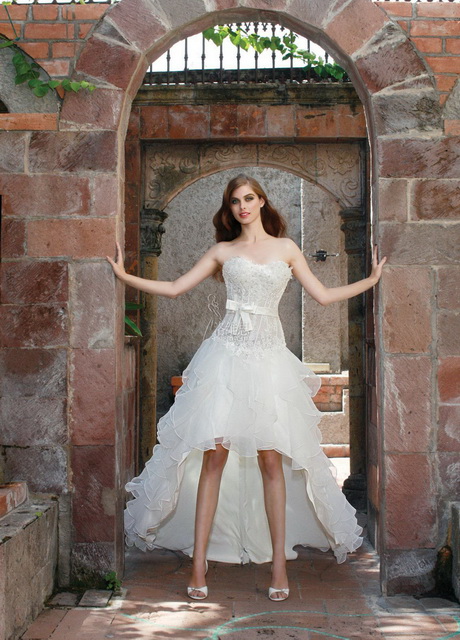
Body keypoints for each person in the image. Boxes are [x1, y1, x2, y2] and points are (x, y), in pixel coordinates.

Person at [107, 173, 386, 602]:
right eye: (236, 201)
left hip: (270, 362)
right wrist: (125, 276)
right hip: (226, 358)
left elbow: (324, 296)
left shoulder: (286, 248)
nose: (243, 206)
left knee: (272, 463)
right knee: (213, 461)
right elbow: (176, 287)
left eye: (249, 198)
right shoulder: (223, 250)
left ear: (261, 201)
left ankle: (278, 566)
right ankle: (199, 565)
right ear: (230, 208)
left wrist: (371, 280)